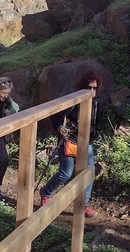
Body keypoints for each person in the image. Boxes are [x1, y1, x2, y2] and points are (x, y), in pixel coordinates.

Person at [39, 70, 101, 219]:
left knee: (89, 173)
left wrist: (92, 135)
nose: (92, 91)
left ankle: (83, 205)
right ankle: (46, 192)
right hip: (68, 141)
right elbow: (55, 116)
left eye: (95, 88)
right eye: (89, 87)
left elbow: (96, 124)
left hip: (87, 143)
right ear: (82, 86)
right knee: (66, 173)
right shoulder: (72, 101)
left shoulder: (97, 104)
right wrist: (60, 128)